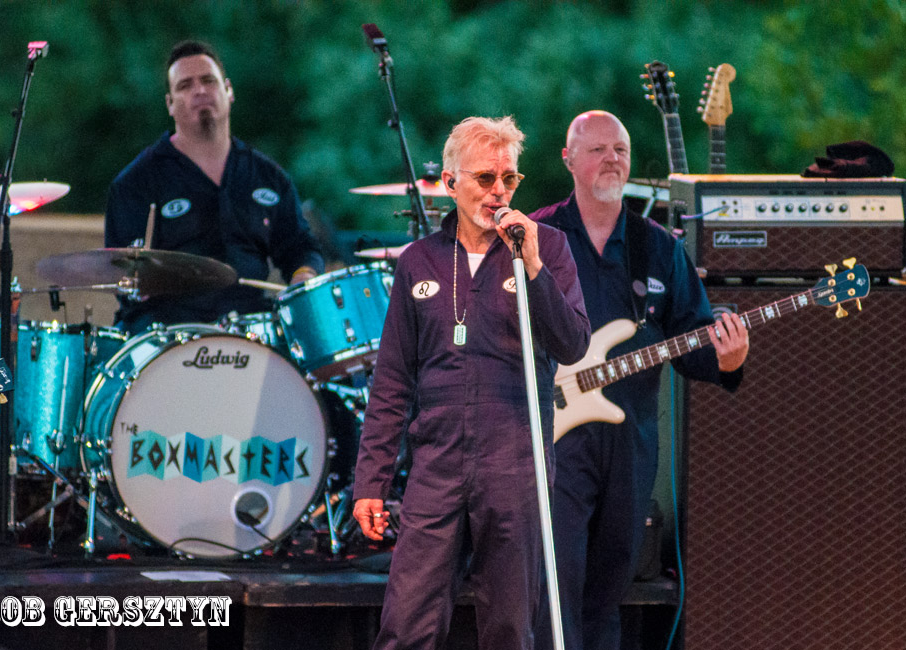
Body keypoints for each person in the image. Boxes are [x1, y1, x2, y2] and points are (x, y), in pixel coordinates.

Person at [352, 116, 592, 650]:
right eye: (485, 178)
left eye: (509, 178)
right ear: (450, 182)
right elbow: (392, 381)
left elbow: (574, 343)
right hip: (436, 466)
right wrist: (371, 481)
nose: (499, 191)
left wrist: (534, 267)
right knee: (406, 624)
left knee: (509, 628)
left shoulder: (546, 248)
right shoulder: (420, 261)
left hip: (515, 465)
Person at [530, 110, 750, 650]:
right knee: (556, 588)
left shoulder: (657, 247)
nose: (612, 159)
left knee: (610, 590)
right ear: (568, 160)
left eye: (621, 150)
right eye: (598, 150)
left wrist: (729, 359)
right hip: (555, 439)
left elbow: (693, 341)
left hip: (631, 441)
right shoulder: (537, 237)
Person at [105, 40, 324, 334]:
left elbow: (300, 247)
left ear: (228, 90)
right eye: (185, 85)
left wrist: (304, 275)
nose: (199, 90)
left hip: (251, 328)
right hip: (168, 333)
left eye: (208, 80)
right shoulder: (135, 184)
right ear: (170, 104)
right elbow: (121, 271)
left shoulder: (269, 177)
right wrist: (137, 283)